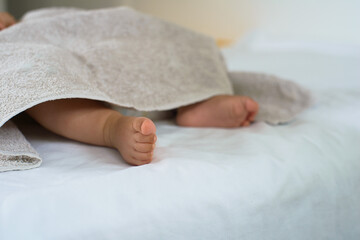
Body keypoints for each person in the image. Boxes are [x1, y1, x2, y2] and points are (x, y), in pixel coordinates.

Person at [0, 11, 259, 166]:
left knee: (136, 32)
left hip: (45, 32)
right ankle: (109, 128)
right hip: (26, 57)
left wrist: (8, 21)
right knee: (39, 76)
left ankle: (196, 97)